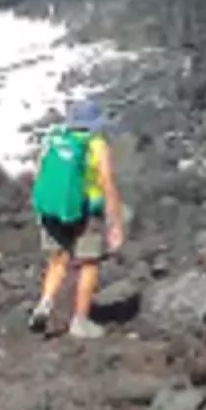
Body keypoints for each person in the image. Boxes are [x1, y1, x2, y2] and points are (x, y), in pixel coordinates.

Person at [28, 98, 125, 338]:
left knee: (58, 260)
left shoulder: (53, 138)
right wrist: (115, 222)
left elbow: (39, 172)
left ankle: (44, 304)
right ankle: (80, 321)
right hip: (85, 211)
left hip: (53, 211)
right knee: (88, 263)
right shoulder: (96, 144)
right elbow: (107, 182)